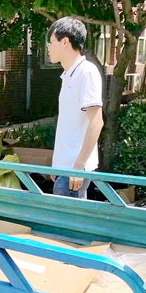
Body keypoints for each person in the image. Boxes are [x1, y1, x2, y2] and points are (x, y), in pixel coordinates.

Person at [47, 17, 104, 199]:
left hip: (74, 169)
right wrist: (58, 164)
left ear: (65, 42)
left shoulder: (86, 72)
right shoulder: (69, 75)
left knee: (62, 217)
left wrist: (79, 165)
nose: (48, 47)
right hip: (66, 168)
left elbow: (96, 122)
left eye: (51, 42)